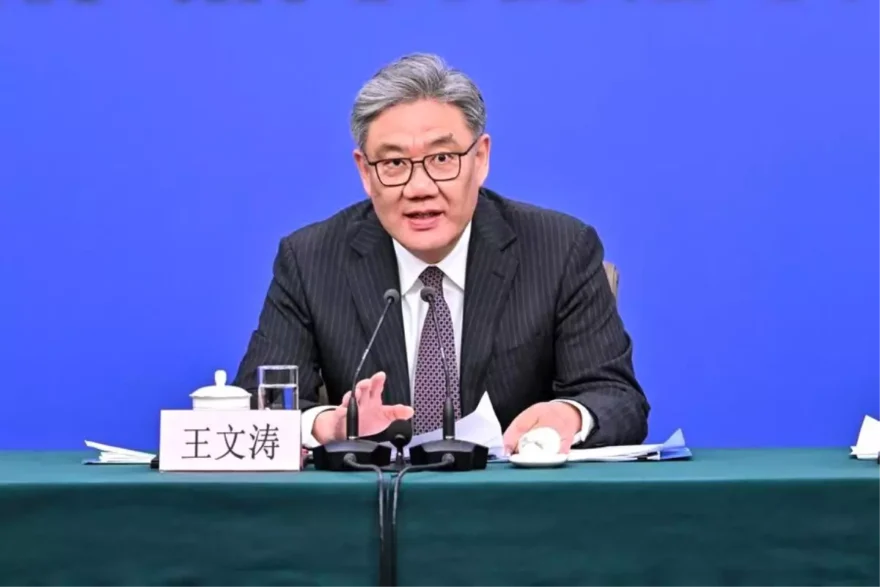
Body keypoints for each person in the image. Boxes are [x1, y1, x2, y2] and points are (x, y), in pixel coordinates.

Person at [232, 53, 649, 454]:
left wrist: (570, 416)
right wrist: (329, 425)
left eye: (443, 158)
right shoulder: (311, 260)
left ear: (480, 159)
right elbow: (257, 403)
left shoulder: (559, 249)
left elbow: (617, 398)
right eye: (394, 163)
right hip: (373, 499)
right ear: (365, 171)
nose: (419, 187)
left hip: (514, 498)